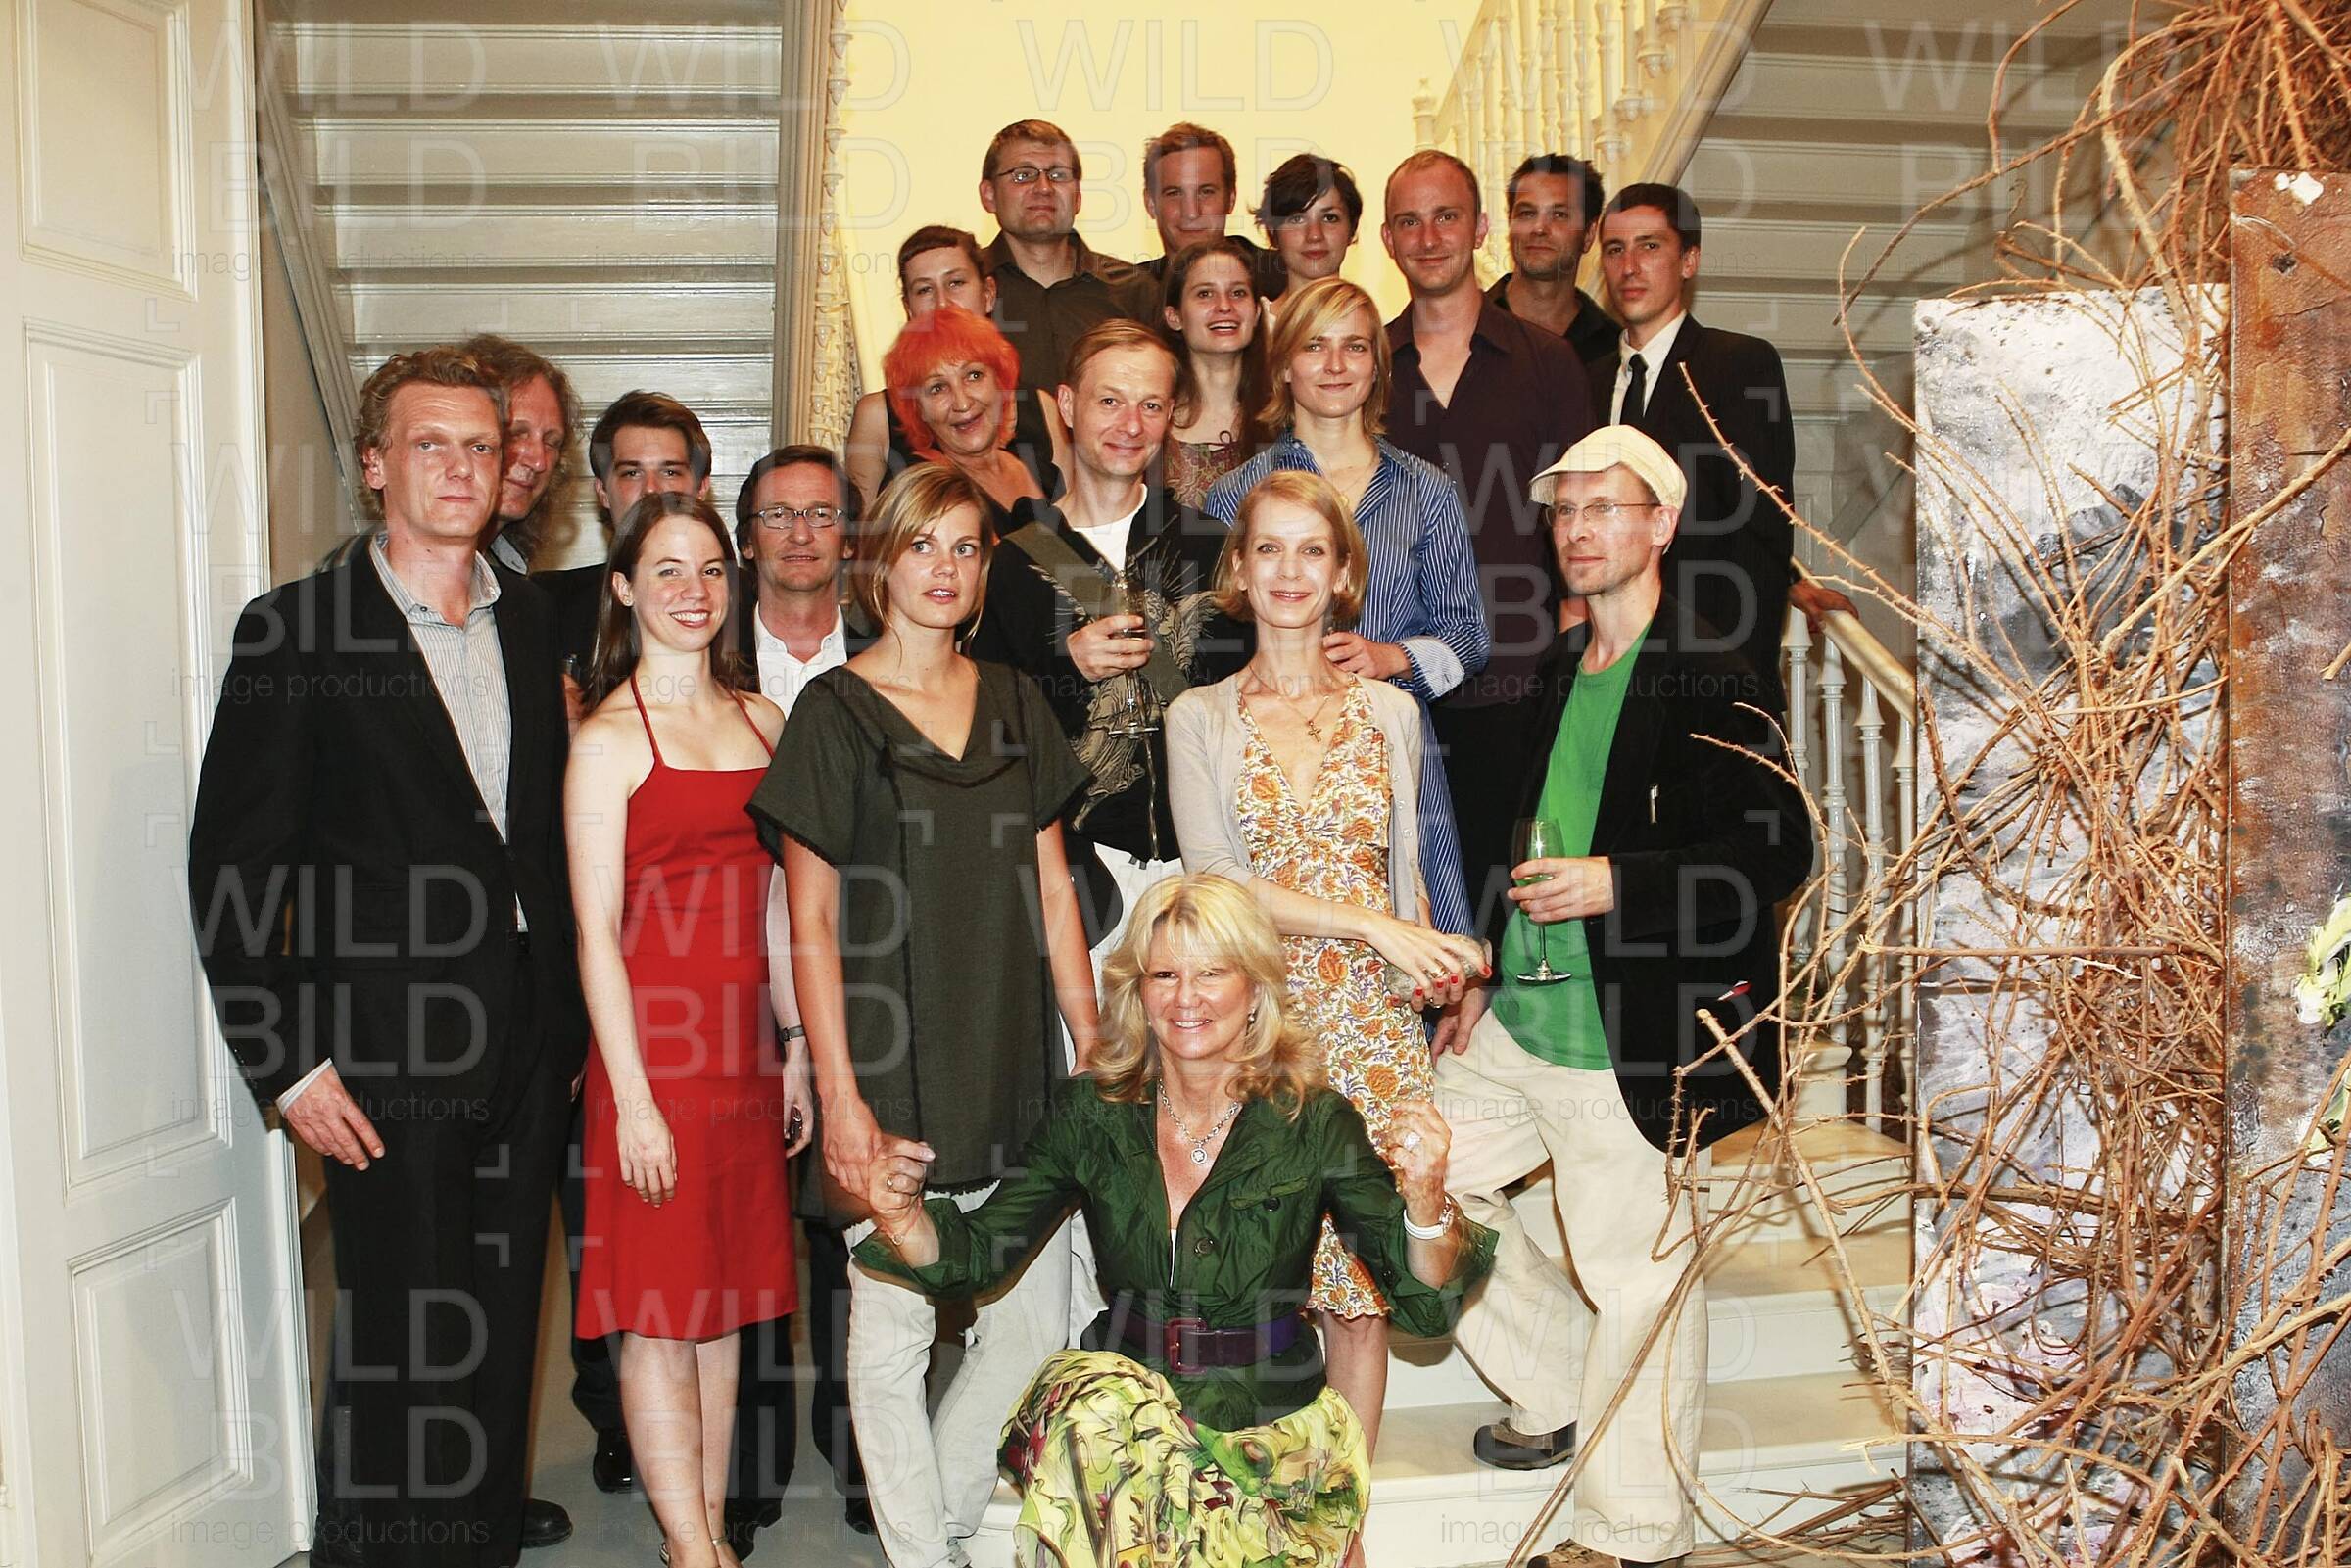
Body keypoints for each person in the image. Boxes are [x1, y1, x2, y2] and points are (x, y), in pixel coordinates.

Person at [189, 346, 585, 1567]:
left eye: (482, 445)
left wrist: (566, 1021)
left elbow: (536, 839)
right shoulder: (298, 632)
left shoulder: (533, 621)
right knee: (405, 1339)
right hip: (378, 1054)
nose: (462, 468)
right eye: (430, 444)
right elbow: (234, 867)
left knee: (500, 1328)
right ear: (373, 466)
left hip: (526, 1038)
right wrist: (288, 1062)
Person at [850, 873, 1496, 1568]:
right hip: (1125, 1425)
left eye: (1212, 972)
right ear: (1138, 992)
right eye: (1164, 974)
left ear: (1255, 990)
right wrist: (903, 1215)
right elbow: (982, 1252)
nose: (1186, 997)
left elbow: (1424, 1301)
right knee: (1095, 1434)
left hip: (1270, 1427)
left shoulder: (1314, 1121)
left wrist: (1425, 1203)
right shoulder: (1092, 1113)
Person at [1437, 427, 1811, 1568]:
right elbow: (1529, 833)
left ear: (1661, 524)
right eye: (1566, 510)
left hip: (1630, 1034)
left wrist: (1620, 884)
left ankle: (1634, 1529)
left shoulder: (1714, 670)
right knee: (1408, 1179)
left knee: (1639, 1281)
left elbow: (1775, 851)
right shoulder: (1560, 666)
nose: (1580, 528)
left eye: (1607, 507)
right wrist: (1486, 965)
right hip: (1522, 1014)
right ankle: (1561, 1379)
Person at [749, 463, 1101, 1568]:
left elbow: (1053, 889)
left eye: (966, 547)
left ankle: (939, 1528)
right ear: (880, 563)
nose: (944, 568)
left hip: (1012, 1055)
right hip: (888, 1061)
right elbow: (808, 919)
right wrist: (840, 1097)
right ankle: (918, 1551)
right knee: (894, 1337)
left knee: (1031, 1330)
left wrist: (1093, 1039)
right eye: (921, 545)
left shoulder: (1016, 701)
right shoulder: (832, 711)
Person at [1167, 467, 1489, 1476]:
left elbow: (1405, 867)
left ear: (1345, 571)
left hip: (1374, 1033)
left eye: (1313, 549)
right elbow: (1219, 880)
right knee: (1252, 1287)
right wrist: (1375, 926)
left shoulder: (1392, 712)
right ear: (1239, 567)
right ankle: (1249, 1505)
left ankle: (1342, 1522)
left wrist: (1435, 955)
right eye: (1268, 548)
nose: (1290, 570)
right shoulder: (1199, 716)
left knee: (1359, 1294)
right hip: (1253, 1029)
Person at [566, 491, 808, 1568]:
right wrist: (631, 1100)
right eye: (666, 569)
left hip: (745, 1057)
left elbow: (779, 903)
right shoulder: (606, 742)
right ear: (623, 587)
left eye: (710, 568)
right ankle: (696, 1550)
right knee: (660, 1312)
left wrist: (796, 1044)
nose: (693, 590)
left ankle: (698, 1542)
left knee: (725, 1307)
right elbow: (593, 933)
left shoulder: (765, 723)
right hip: (652, 1060)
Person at [1206, 275, 1489, 948]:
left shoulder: (1427, 490)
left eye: (1355, 346)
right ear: (1283, 366)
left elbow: (1471, 636)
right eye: (1314, 345)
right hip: (1268, 761)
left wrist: (1394, 658)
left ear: (1378, 368)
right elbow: (1213, 638)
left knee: (1419, 950)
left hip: (1391, 753)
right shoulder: (1233, 495)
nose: (1335, 364)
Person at [971, 318, 1247, 950]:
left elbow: (1253, 704)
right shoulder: (1013, 562)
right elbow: (984, 731)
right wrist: (1061, 665)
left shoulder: (1212, 546)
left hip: (1209, 865)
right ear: (1068, 406)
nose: (1131, 425)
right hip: (1076, 875)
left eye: (1150, 405)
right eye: (1110, 401)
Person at [1379, 148, 1593, 936]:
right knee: (1410, 908)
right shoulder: (1362, 368)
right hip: (1392, 683)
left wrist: (1578, 648)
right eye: (1410, 221)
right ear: (1387, 240)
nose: (1429, 237)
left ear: (1480, 229)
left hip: (1519, 678)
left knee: (1520, 910)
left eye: (1446, 217)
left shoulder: (1548, 363)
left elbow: (1579, 513)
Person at [728, 444, 876, 1538]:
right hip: (719, 976)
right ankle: (750, 1454)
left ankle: (858, 1437)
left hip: (856, 968)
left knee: (849, 1218)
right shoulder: (701, 646)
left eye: (821, 514)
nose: (800, 535)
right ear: (747, 539)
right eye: (777, 516)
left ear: (850, 538)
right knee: (740, 1221)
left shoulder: (891, 650)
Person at [1587, 183, 1847, 695]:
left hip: (1708, 673)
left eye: (1650, 246)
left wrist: (1736, 684)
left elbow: (1760, 528)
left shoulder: (1740, 366)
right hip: (1606, 666)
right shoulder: (1585, 379)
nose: (1630, 266)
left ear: (1689, 260)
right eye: (1615, 249)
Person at [844, 225, 1062, 509]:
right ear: (908, 308)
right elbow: (861, 531)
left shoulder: (1043, 408)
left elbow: (1079, 522)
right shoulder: (877, 417)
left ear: (988, 293)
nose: (943, 303)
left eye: (956, 283)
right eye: (924, 289)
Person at [978, 119, 1141, 395]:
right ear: (989, 195)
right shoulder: (961, 291)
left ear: (1077, 197)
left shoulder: (1135, 292)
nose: (1044, 188)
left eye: (1058, 175)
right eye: (1023, 175)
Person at [880, 304, 1068, 530]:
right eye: (938, 388)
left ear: (1000, 380)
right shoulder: (920, 491)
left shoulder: (1037, 467)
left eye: (974, 376)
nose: (962, 403)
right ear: (917, 407)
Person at [1157, 237, 1274, 508]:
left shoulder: (1287, 416)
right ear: (1174, 316)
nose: (1224, 306)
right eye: (1205, 294)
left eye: (1238, 293)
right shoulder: (1149, 420)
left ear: (1257, 312)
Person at [1124, 121, 1290, 310]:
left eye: (1206, 192)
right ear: (1150, 204)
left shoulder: (1284, 279)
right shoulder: (1129, 297)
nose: (1192, 212)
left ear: (1231, 199)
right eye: (1174, 193)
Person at [1487, 155, 1621, 368]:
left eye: (1559, 215)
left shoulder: (1613, 349)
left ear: (1589, 234)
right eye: (1527, 213)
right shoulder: (1466, 326)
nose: (1539, 228)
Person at [1257, 153, 1363, 290]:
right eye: (1297, 219)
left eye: (1330, 218)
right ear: (1272, 229)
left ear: (1352, 228)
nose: (1314, 235)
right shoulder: (1248, 304)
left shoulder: (1366, 306)